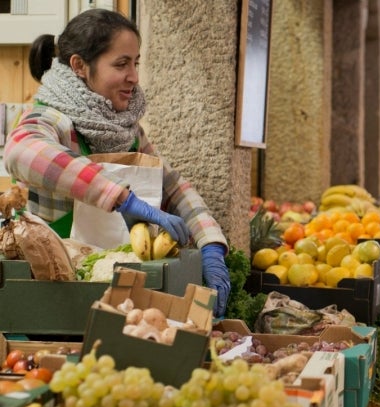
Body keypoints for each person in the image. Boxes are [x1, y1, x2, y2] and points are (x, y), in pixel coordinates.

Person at [3, 9, 231, 318]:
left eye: (136, 63)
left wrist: (210, 244)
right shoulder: (51, 119)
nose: (134, 76)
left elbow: (172, 187)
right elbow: (20, 151)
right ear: (80, 66)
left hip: (123, 294)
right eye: (122, 64)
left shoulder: (128, 130)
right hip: (57, 296)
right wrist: (120, 198)